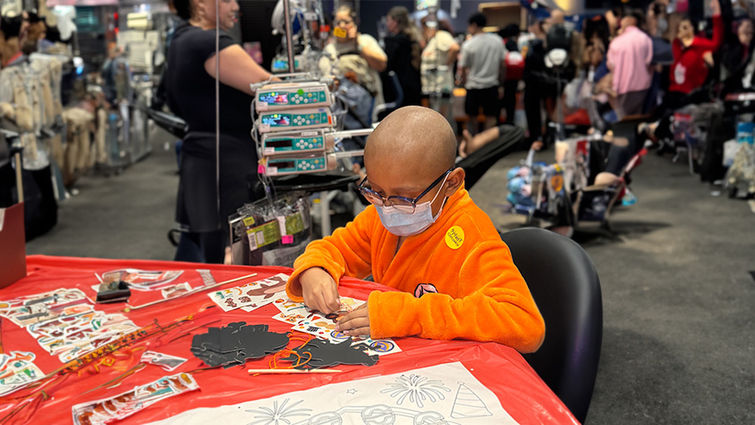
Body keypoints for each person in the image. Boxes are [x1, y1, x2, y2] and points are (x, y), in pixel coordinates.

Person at [285, 106, 545, 352]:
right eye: (375, 191)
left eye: (404, 197)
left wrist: (412, 314)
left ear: (451, 183)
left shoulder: (472, 236)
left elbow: (524, 323)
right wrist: (315, 269)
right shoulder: (381, 214)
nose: (387, 207)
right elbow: (335, 248)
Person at [165, 0, 274, 263]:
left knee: (209, 253)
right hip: (225, 166)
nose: (236, 6)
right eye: (226, 0)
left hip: (204, 158)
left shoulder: (180, 38)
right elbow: (270, 89)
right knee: (232, 256)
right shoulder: (209, 42)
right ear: (200, 3)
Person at [319, 4, 387, 113]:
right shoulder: (330, 48)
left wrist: (357, 44)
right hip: (344, 108)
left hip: (370, 106)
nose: (341, 26)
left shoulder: (365, 40)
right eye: (338, 23)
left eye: (346, 22)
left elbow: (381, 65)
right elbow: (325, 78)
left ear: (355, 23)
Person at [458, 12, 506, 138]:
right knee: (491, 118)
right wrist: (501, 85)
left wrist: (463, 82)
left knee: (472, 119)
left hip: (473, 86)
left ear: (474, 25)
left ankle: (473, 145)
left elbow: (463, 68)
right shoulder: (497, 41)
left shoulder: (468, 44)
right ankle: (488, 144)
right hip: (492, 85)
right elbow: (502, 66)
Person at [606, 10, 653, 119]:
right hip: (642, 87)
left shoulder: (616, 42)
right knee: (638, 120)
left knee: (623, 121)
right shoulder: (645, 39)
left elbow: (611, 65)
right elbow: (649, 62)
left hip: (622, 88)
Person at [420, 14, 459, 124]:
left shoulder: (441, 35)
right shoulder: (431, 41)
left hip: (441, 88)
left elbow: (455, 48)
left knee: (440, 122)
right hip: (431, 89)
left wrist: (446, 65)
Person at [383, 6, 422, 107]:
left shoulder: (394, 43)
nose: (387, 23)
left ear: (395, 22)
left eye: (388, 20)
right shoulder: (413, 39)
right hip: (413, 91)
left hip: (399, 93)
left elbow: (386, 66)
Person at [721, 18, 754, 95]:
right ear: (738, 31)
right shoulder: (730, 49)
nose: (747, 30)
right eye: (744, 27)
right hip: (734, 89)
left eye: (750, 27)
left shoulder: (752, 50)